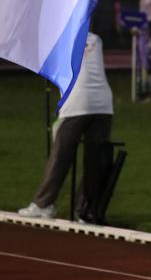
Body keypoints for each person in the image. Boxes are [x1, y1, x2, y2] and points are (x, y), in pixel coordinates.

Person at [18, 32, 113, 221]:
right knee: (94, 160)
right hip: (104, 104)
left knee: (60, 156)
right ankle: (85, 210)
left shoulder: (58, 37)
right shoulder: (96, 39)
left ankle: (43, 204)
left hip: (77, 103)